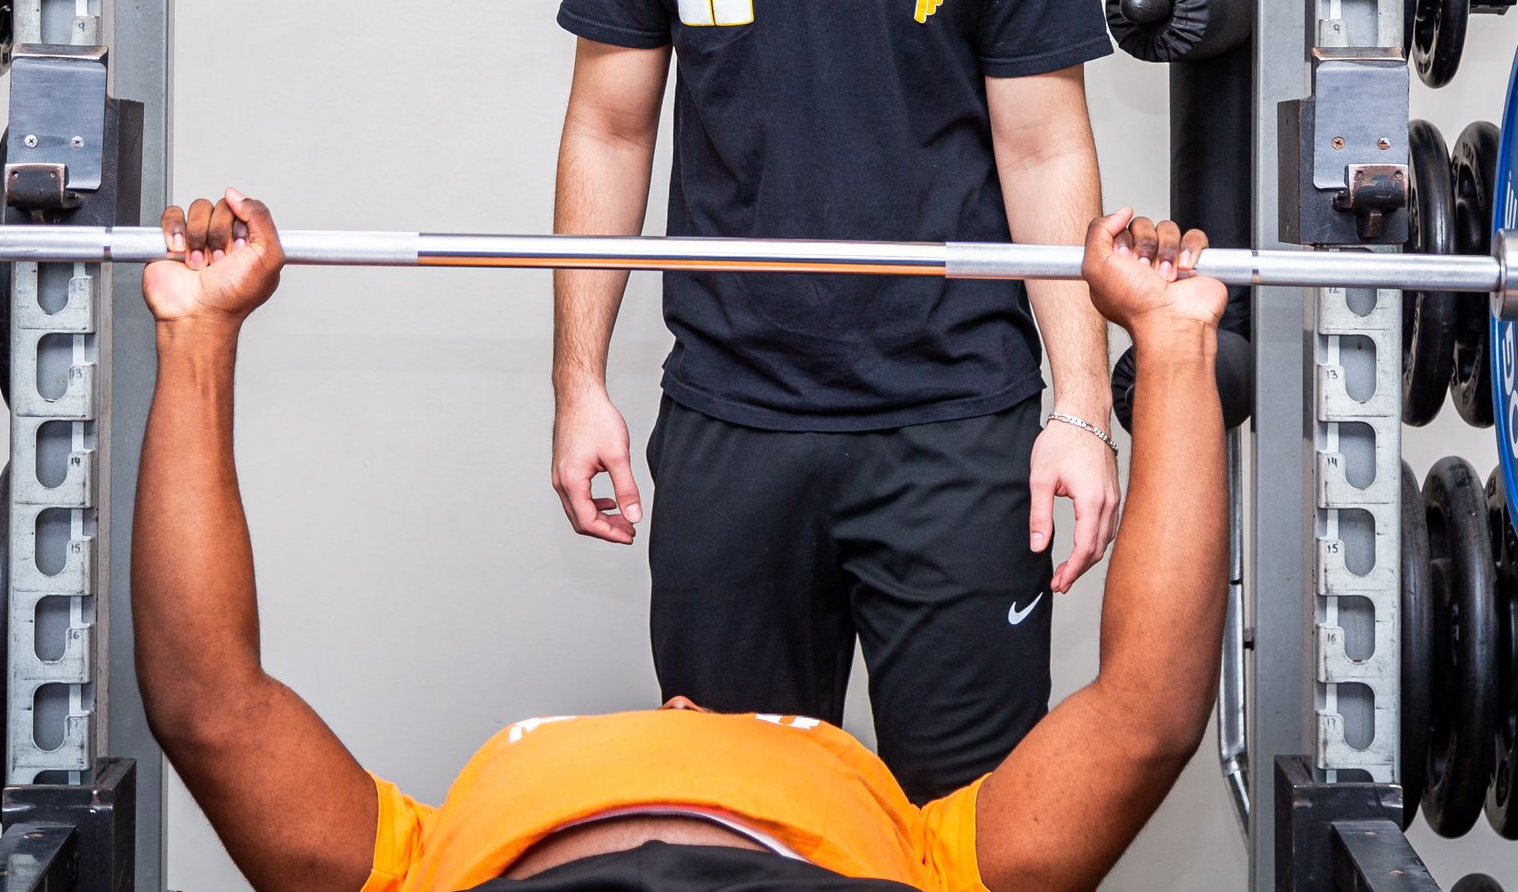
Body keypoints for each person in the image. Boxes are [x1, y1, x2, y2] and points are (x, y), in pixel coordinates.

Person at [134, 191, 1228, 892]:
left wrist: (198, 336)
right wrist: (1172, 346)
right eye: (759, 722)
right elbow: (1144, 716)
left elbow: (209, 706)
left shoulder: (424, 859)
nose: (682, 706)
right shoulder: (925, 852)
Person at [549, 0, 1117, 800]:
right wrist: (578, 382)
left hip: (955, 424)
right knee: (742, 829)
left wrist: (1081, 406)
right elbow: (610, 128)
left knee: (970, 834)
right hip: (733, 416)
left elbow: (1044, 149)